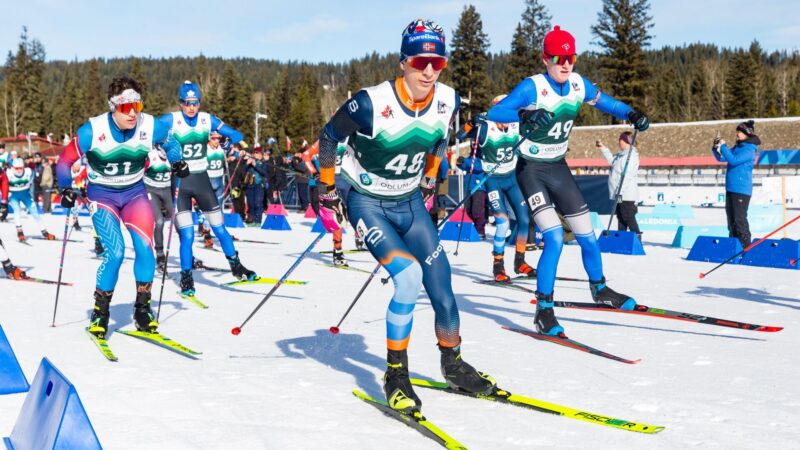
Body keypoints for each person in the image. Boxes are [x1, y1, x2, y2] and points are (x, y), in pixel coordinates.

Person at [316, 19, 495, 414]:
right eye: (420, 61)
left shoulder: (448, 98)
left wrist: (431, 176)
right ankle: (396, 373)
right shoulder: (369, 103)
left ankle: (454, 365)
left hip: (411, 204)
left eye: (437, 62)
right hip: (369, 203)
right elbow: (328, 137)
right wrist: (327, 188)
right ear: (403, 62)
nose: (429, 71)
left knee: (442, 288)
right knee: (409, 276)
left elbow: (439, 138)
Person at [488, 25, 650, 337]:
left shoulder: (578, 84)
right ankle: (544, 310)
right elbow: (496, 112)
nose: (565, 64)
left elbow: (606, 103)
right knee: (554, 238)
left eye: (570, 57)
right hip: (531, 171)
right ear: (545, 59)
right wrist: (522, 117)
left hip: (558, 168)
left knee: (588, 235)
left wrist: (631, 114)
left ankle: (600, 289)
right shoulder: (533, 87)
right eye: (558, 58)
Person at [55, 76, 186, 339]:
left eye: (137, 106)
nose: (132, 113)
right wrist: (65, 189)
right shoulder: (92, 130)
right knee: (114, 253)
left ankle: (142, 310)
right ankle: (101, 313)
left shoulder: (150, 125)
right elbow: (63, 162)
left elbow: (172, 144)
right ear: (113, 106)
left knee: (144, 247)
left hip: (135, 193)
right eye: (126, 108)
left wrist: (177, 161)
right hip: (102, 196)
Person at [158, 81, 258, 298]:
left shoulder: (207, 119)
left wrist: (228, 143)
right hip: (180, 183)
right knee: (187, 235)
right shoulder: (170, 120)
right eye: (186, 103)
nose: (191, 108)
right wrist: (161, 146)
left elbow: (237, 135)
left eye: (195, 103)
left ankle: (237, 267)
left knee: (219, 228)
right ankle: (186, 277)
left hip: (202, 181)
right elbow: (149, 134)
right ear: (180, 103)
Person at [458, 96, 534, 282]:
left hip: (511, 178)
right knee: (503, 223)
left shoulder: (516, 123)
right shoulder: (485, 128)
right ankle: (498, 265)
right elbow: (460, 135)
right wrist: (470, 123)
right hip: (493, 181)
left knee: (524, 219)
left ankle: (520, 261)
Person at [712, 120, 757, 248]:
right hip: (731, 188)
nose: (737, 134)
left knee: (739, 220)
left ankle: (745, 246)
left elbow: (733, 160)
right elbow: (722, 158)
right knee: (731, 221)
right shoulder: (738, 147)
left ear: (747, 133)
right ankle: (733, 246)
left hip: (741, 190)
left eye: (740, 132)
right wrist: (716, 148)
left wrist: (724, 146)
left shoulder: (749, 149)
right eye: (737, 131)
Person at [598, 131, 641, 238]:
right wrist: (603, 148)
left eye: (621, 140)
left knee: (628, 216)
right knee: (620, 216)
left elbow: (627, 176)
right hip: (619, 193)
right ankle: (621, 237)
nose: (619, 142)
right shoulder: (621, 156)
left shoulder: (631, 156)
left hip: (626, 193)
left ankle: (636, 237)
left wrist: (620, 192)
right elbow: (612, 161)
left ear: (626, 142)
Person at [5, 158, 56, 242]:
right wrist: (5, 197)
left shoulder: (28, 172)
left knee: (35, 212)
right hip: (13, 195)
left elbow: (32, 184)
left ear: (23, 167)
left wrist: (33, 195)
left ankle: (44, 232)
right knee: (17, 210)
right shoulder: (8, 173)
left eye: (20, 168)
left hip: (25, 194)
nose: (18, 170)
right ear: (12, 167)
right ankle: (20, 232)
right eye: (16, 168)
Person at [143, 146, 174, 272]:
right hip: (151, 190)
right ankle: (160, 255)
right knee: (159, 222)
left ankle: (188, 255)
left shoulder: (174, 156)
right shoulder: (151, 155)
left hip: (166, 190)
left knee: (179, 221)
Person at [244, 147, 268, 226]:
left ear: (261, 154)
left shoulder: (263, 163)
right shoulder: (249, 162)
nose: (256, 155)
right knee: (251, 204)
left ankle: (258, 221)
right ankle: (252, 220)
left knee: (258, 203)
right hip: (250, 185)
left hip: (259, 184)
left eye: (257, 153)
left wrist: (255, 165)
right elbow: (242, 171)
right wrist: (247, 164)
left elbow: (264, 173)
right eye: (254, 153)